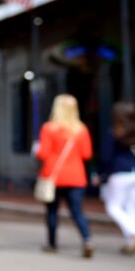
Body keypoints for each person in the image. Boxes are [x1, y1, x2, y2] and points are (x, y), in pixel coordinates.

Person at [37, 94, 94, 258]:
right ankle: (87, 239)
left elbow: (43, 153)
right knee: (77, 210)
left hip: (54, 176)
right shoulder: (81, 129)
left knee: (52, 211)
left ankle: (52, 243)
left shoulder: (49, 128)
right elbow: (87, 154)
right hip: (76, 176)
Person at [101, 102, 135, 254]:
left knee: (113, 207)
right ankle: (130, 243)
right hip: (133, 173)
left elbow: (106, 157)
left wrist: (103, 174)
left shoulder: (114, 133)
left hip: (119, 174)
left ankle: (132, 231)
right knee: (130, 208)